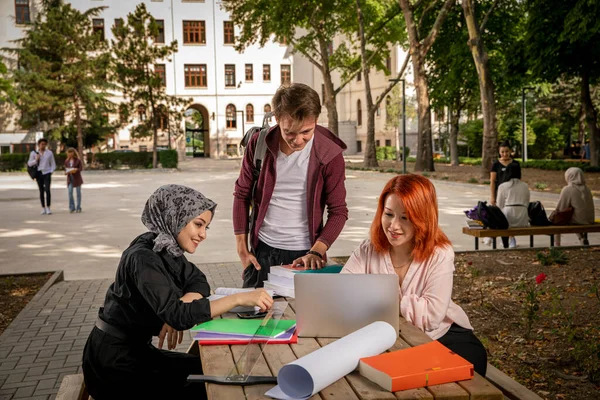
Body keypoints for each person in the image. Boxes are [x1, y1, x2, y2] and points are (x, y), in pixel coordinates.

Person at [82, 185, 273, 400]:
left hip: (136, 354)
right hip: (114, 365)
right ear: (176, 217)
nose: (203, 235)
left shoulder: (166, 246)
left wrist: (183, 300)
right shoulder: (144, 256)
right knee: (211, 385)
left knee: (215, 369)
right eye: (198, 224)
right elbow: (179, 316)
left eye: (206, 227)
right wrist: (239, 298)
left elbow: (197, 280)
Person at [341, 174, 488, 376]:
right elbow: (341, 293)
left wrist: (376, 299)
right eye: (388, 214)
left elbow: (432, 317)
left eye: (405, 218)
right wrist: (399, 304)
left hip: (442, 335)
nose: (393, 226)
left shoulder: (440, 253)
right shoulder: (368, 249)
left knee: (465, 368)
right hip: (385, 336)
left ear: (422, 219)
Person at [233, 83, 348, 288]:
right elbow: (242, 194)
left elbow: (338, 211)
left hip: (307, 253)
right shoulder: (259, 144)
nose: (298, 140)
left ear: (316, 120)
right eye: (290, 132)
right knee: (255, 317)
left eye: (306, 131)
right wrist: (242, 248)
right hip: (262, 252)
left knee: (304, 319)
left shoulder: (330, 154)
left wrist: (317, 250)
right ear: (277, 119)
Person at [487, 141, 520, 246]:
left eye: (507, 151)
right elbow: (492, 181)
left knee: (509, 216)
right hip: (499, 193)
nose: (505, 154)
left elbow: (519, 180)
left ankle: (511, 238)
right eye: (502, 152)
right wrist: (493, 196)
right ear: (499, 152)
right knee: (498, 216)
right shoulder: (496, 164)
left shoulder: (515, 164)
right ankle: (494, 236)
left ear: (510, 151)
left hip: (512, 194)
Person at [553, 168, 595, 246]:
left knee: (558, 220)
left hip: (578, 221)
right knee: (575, 215)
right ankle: (582, 238)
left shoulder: (568, 189)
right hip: (589, 219)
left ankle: (557, 245)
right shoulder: (587, 189)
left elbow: (560, 208)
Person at [496, 165, 530, 248]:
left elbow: (499, 205)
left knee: (502, 216)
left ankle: (508, 240)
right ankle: (511, 240)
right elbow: (527, 202)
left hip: (508, 216)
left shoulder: (503, 186)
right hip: (523, 217)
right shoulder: (525, 186)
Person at [27, 138, 56, 215]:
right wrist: (36, 160)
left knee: (47, 190)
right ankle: (43, 207)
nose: (43, 146)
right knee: (41, 191)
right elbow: (29, 164)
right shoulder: (33, 153)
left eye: (44, 144)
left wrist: (51, 171)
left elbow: (53, 164)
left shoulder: (49, 153)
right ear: (38, 145)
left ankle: (48, 207)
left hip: (47, 173)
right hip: (39, 173)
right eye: (41, 144)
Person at [64, 148, 83, 213]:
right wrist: (66, 172)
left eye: (71, 152)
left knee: (78, 193)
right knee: (70, 193)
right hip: (70, 178)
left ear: (74, 153)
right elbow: (65, 170)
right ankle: (72, 207)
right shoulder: (67, 161)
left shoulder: (78, 160)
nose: (70, 154)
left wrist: (76, 170)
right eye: (69, 153)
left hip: (77, 178)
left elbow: (81, 168)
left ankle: (78, 207)